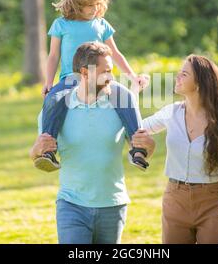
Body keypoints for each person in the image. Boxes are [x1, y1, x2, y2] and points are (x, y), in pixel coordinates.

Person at [29, 42, 155, 244]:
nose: (111, 77)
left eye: (111, 71)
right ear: (85, 73)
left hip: (113, 204)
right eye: (106, 72)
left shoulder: (120, 103)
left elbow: (142, 145)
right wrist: (37, 150)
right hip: (71, 205)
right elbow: (35, 154)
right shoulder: (56, 108)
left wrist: (148, 146)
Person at [35, 0, 150, 173]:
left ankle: (137, 147)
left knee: (125, 97)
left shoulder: (101, 25)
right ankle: (48, 151)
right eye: (89, 5)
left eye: (97, 4)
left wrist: (132, 76)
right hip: (72, 79)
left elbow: (115, 53)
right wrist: (48, 82)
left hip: (101, 79)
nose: (94, 9)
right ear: (76, 3)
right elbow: (53, 56)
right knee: (53, 100)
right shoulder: (61, 25)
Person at [132, 54, 218, 244]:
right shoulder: (171, 112)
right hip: (175, 200)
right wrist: (134, 91)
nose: (177, 78)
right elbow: (136, 127)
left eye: (184, 74)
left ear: (200, 83)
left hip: (212, 202)